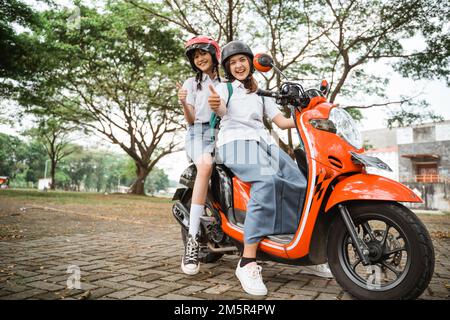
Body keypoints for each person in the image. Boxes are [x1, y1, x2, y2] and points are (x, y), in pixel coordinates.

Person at [208, 40, 332, 296]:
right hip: (235, 142)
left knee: (302, 183)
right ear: (228, 68)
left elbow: (281, 121)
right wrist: (214, 104)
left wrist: (309, 110)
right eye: (233, 63)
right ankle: (247, 261)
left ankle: (303, 253)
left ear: (251, 63)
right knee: (266, 182)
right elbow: (220, 110)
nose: (239, 65)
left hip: (263, 142)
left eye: (242, 60)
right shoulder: (224, 87)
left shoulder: (258, 91)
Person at [177, 35, 221, 275]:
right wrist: (184, 103)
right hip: (198, 133)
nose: (200, 59)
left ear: (214, 55)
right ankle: (192, 241)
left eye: (203, 53)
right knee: (205, 166)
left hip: (225, 134)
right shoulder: (191, 83)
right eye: (195, 56)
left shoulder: (228, 81)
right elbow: (192, 120)